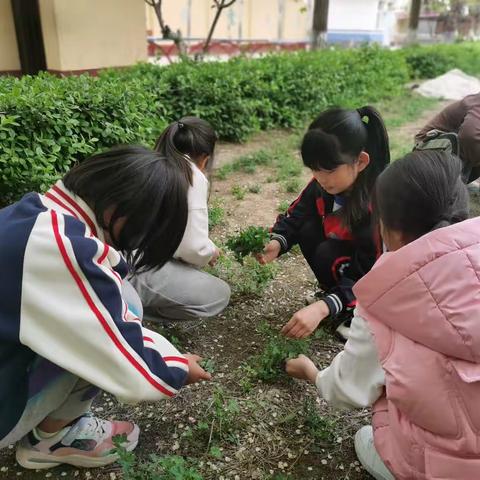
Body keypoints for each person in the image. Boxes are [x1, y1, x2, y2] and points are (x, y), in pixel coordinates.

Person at [0, 146, 211, 470]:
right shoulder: (65, 249)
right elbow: (136, 371)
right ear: (119, 212)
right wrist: (178, 367)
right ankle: (52, 440)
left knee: (121, 300)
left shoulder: (35, 214)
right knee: (122, 309)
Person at [285, 150, 480, 480]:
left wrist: (312, 374)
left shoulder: (382, 303)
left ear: (388, 228)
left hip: (452, 467)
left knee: (371, 431)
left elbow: (346, 390)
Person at [258, 106, 389, 339]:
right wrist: (278, 242)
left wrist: (323, 307)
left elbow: (372, 272)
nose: (320, 178)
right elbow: (296, 214)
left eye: (328, 169)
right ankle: (336, 299)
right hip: (347, 260)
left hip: (378, 282)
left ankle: (356, 312)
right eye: (314, 169)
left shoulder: (378, 203)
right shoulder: (324, 183)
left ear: (360, 161)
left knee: (330, 251)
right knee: (307, 229)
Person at [129, 117, 231, 324]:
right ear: (204, 157)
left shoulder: (149, 161)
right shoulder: (190, 175)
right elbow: (193, 248)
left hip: (113, 253)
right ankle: (131, 311)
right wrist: (209, 251)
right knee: (218, 295)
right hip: (130, 268)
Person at [415, 92, 480, 183]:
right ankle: (444, 187)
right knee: (461, 140)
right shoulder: (477, 103)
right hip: (426, 153)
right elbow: (469, 137)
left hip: (453, 157)